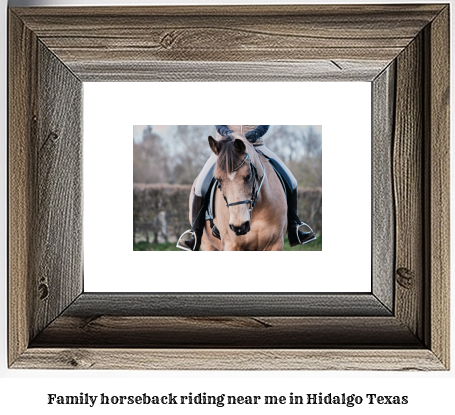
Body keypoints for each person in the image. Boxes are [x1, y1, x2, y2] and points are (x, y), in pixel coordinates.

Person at [177, 125, 316, 251]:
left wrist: (255, 134)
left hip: (255, 144)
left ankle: (294, 229)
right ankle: (195, 234)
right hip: (225, 146)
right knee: (200, 185)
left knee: (291, 180)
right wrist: (229, 133)